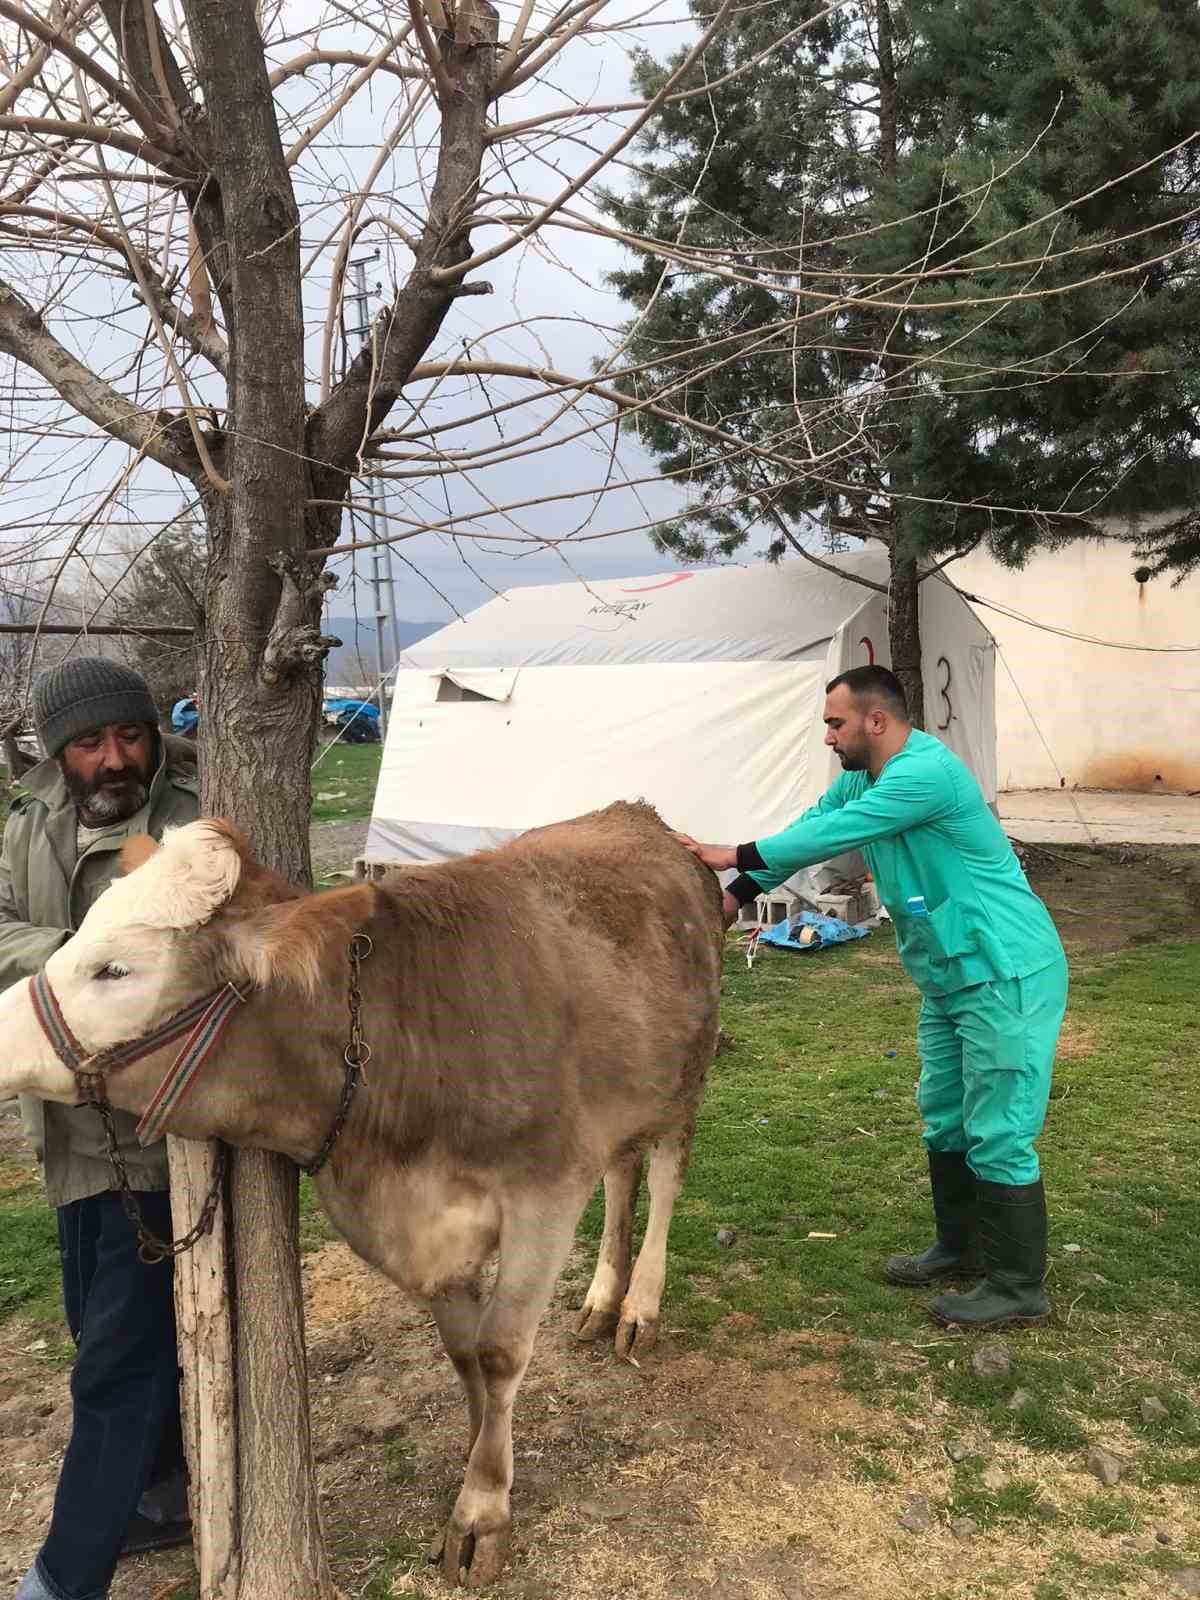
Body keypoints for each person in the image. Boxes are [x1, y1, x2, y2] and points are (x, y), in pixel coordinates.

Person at [674, 664, 1068, 1330]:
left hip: (1005, 970)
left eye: (835, 723)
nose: (828, 737)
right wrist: (734, 897)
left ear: (875, 721)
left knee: (999, 1127)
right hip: (949, 975)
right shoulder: (862, 780)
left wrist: (727, 853)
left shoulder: (923, 776)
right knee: (944, 1113)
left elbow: (828, 840)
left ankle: (1017, 1285)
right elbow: (807, 829)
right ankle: (960, 1248)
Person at [1, 658, 199, 1600]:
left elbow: (192, 962)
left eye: (130, 736)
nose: (115, 759)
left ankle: (64, 1578)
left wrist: (92, 974)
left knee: (117, 1363)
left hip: (159, 1135)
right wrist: (81, 961)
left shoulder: (187, 822)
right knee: (99, 1328)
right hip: (68, 1133)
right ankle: (163, 1496)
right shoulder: (29, 820)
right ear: (58, 751)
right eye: (90, 742)